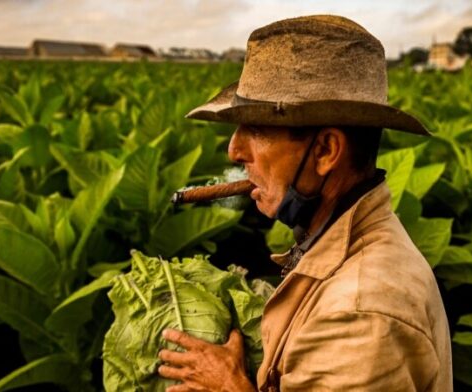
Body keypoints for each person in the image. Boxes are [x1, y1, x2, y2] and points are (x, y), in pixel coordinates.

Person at [157, 15, 452, 391]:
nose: (234, 150)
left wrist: (228, 386)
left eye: (258, 130)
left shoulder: (361, 313)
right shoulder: (336, 241)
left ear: (326, 151)